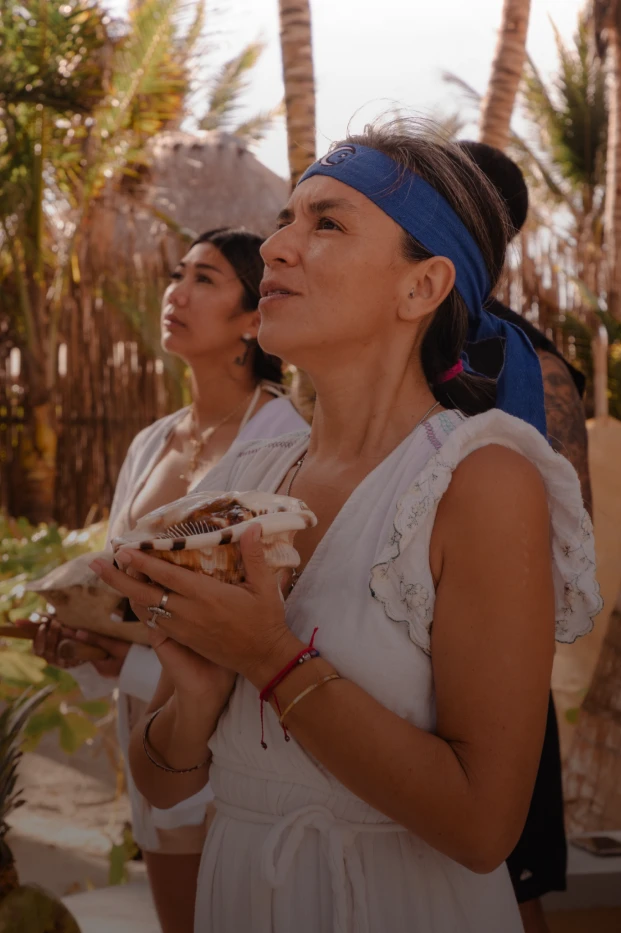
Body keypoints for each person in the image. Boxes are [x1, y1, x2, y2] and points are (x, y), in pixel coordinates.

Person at [94, 122, 601, 933]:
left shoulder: (480, 480)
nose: (277, 248)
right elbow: (165, 784)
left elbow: (481, 827)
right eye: (286, 219)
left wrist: (267, 656)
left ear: (420, 286)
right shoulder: (247, 483)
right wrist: (194, 696)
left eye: (325, 223)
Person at [33, 227, 308, 933]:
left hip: (225, 736)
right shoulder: (152, 440)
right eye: (177, 273)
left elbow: (274, 605)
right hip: (148, 728)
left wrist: (131, 660)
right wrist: (85, 638)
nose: (176, 293)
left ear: (253, 320)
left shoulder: (281, 441)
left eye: (206, 279)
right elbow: (120, 588)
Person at [459, 140, 594, 933]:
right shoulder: (374, 352)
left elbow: (566, 554)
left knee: (506, 891)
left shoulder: (529, 365)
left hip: (489, 683)